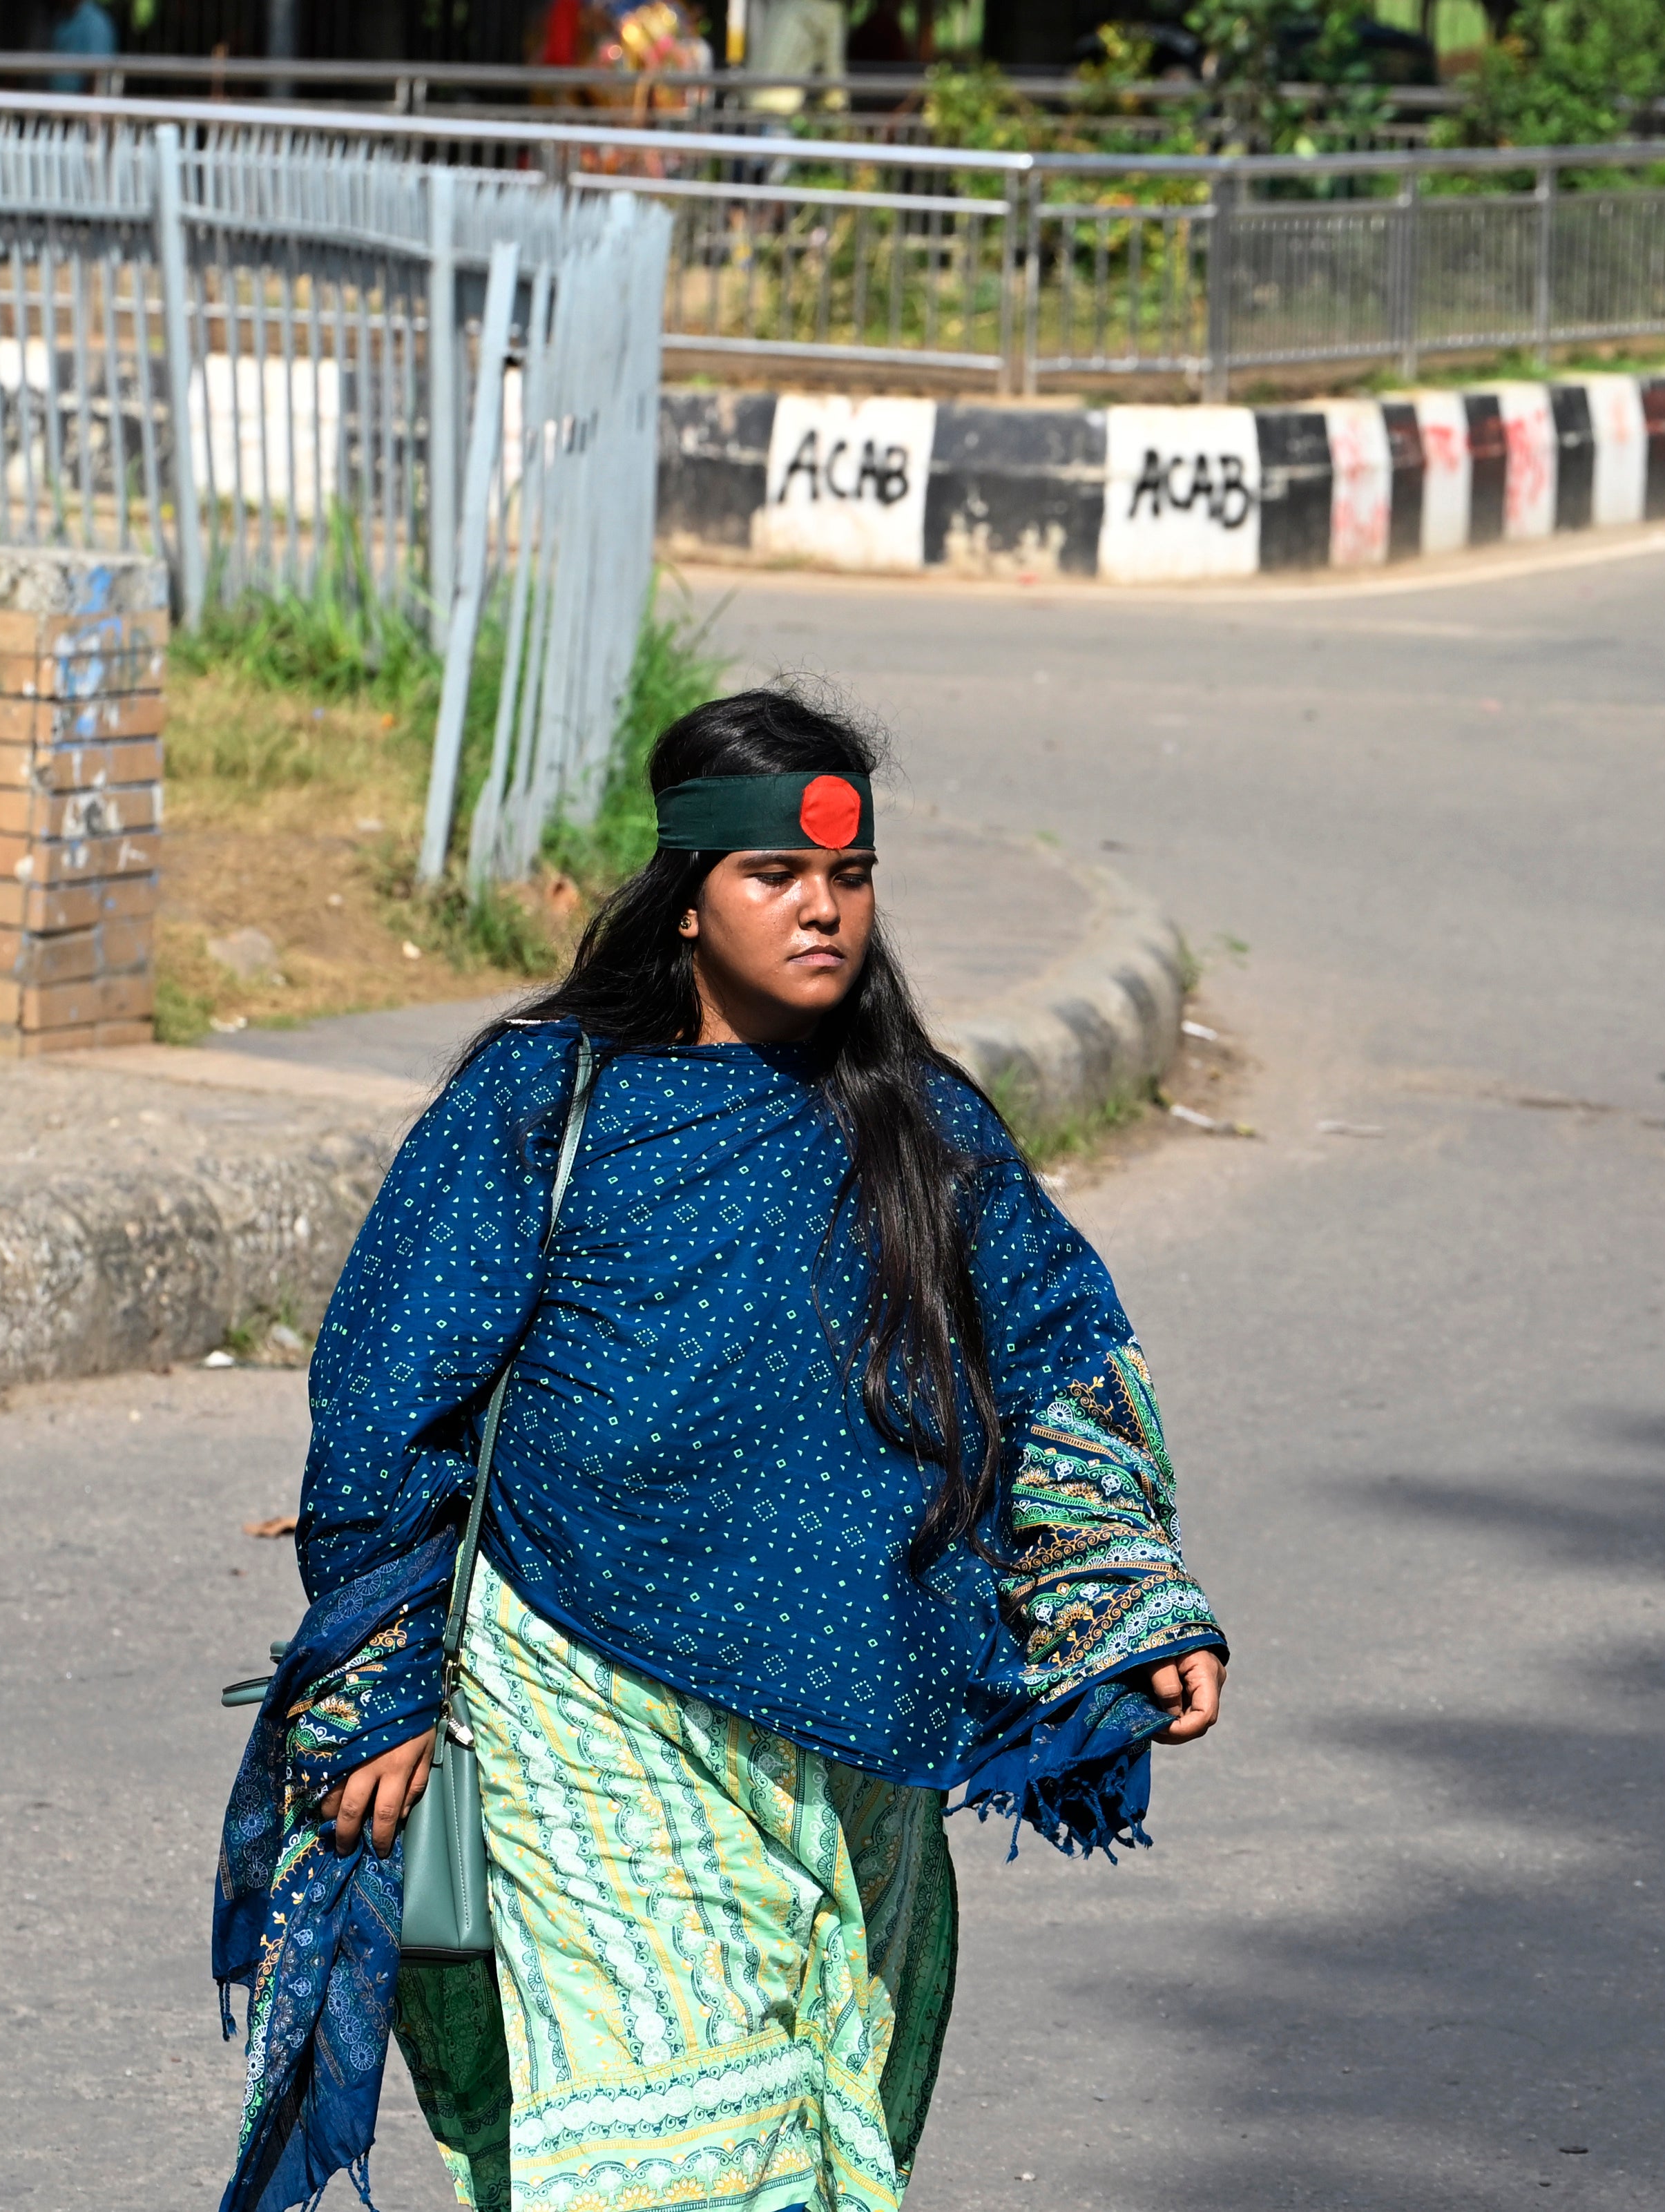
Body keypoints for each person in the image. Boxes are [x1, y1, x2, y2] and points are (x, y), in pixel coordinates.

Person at [213, 689, 1227, 2212]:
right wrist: (383, 1676)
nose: (822, 907)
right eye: (775, 876)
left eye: (849, 874)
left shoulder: (928, 1126)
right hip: (589, 1699)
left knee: (823, 2137)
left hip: (854, 1747)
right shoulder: (544, 1103)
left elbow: (1058, 1358)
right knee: (681, 2160)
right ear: (687, 898)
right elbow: (388, 1392)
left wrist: (1125, 1588)